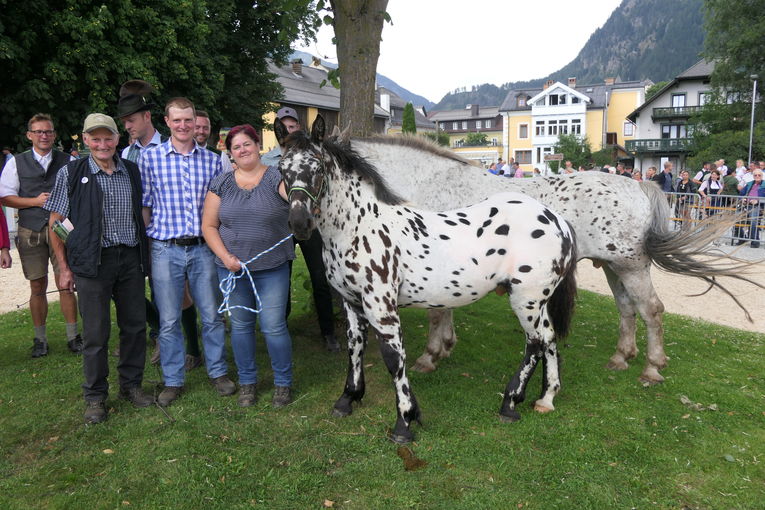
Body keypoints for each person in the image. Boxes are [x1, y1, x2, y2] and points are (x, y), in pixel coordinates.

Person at [45, 113, 154, 424]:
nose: (103, 144)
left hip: (130, 259)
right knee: (96, 333)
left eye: (108, 137)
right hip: (93, 263)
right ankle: (95, 397)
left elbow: (140, 213)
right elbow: (56, 223)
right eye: (96, 138)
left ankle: (131, 386)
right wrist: (65, 266)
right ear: (85, 140)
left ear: (118, 139)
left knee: (134, 326)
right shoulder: (72, 172)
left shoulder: (131, 171)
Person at [139, 97, 233, 407]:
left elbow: (219, 207)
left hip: (203, 249)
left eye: (188, 120)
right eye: (177, 120)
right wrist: (148, 249)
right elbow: (146, 207)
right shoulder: (150, 159)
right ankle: (173, 379)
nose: (183, 126)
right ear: (167, 122)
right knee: (168, 320)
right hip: (165, 250)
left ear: (196, 123)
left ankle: (218, 372)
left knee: (212, 316)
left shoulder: (211, 161)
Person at [202, 124, 295, 408]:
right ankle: (247, 382)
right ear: (230, 153)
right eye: (236, 147)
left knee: (273, 326)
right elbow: (208, 226)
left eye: (247, 144)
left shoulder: (277, 178)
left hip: (272, 268)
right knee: (241, 327)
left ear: (258, 145)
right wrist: (226, 257)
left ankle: (283, 382)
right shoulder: (221, 183)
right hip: (232, 269)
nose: (243, 150)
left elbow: (299, 201)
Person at [117, 81, 202, 370]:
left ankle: (192, 348)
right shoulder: (127, 155)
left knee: (181, 295)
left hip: (168, 235)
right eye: (124, 121)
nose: (127, 126)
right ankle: (160, 336)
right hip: (138, 234)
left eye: (130, 120)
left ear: (147, 117)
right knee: (131, 290)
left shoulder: (171, 147)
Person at [0, 113, 82, 357]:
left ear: (54, 135)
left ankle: (73, 336)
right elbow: (4, 196)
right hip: (30, 228)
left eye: (48, 131)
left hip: (62, 228)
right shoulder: (17, 162)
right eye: (38, 132)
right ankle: (40, 339)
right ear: (29, 135)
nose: (44, 136)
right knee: (37, 285)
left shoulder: (67, 160)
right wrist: (34, 201)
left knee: (66, 282)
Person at [261, 106, 339, 352]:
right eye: (285, 127)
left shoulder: (310, 155)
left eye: (293, 126)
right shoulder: (267, 160)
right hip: (282, 225)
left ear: (298, 127)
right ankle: (280, 325)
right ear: (280, 132)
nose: (290, 130)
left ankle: (328, 331)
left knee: (319, 276)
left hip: (308, 221)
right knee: (280, 276)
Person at [738, 169, 765, 248]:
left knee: (753, 222)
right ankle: (741, 239)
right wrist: (742, 199)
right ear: (753, 176)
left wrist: (758, 200)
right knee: (737, 219)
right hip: (746, 205)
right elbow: (741, 194)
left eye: (759, 175)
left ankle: (755, 241)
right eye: (755, 175)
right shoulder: (749, 184)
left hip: (758, 206)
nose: (757, 176)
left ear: (762, 176)